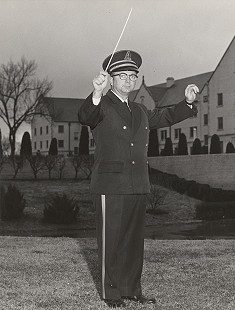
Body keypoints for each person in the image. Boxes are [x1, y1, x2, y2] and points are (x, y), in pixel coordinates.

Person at [78, 50, 199, 308]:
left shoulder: (140, 109)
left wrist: (187, 103)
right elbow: (85, 116)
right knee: (111, 242)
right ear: (110, 78)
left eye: (133, 76)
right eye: (122, 75)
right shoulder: (101, 105)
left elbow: (165, 117)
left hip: (137, 183)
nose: (129, 81)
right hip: (110, 185)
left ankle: (132, 289)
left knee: (133, 241)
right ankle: (111, 293)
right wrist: (96, 93)